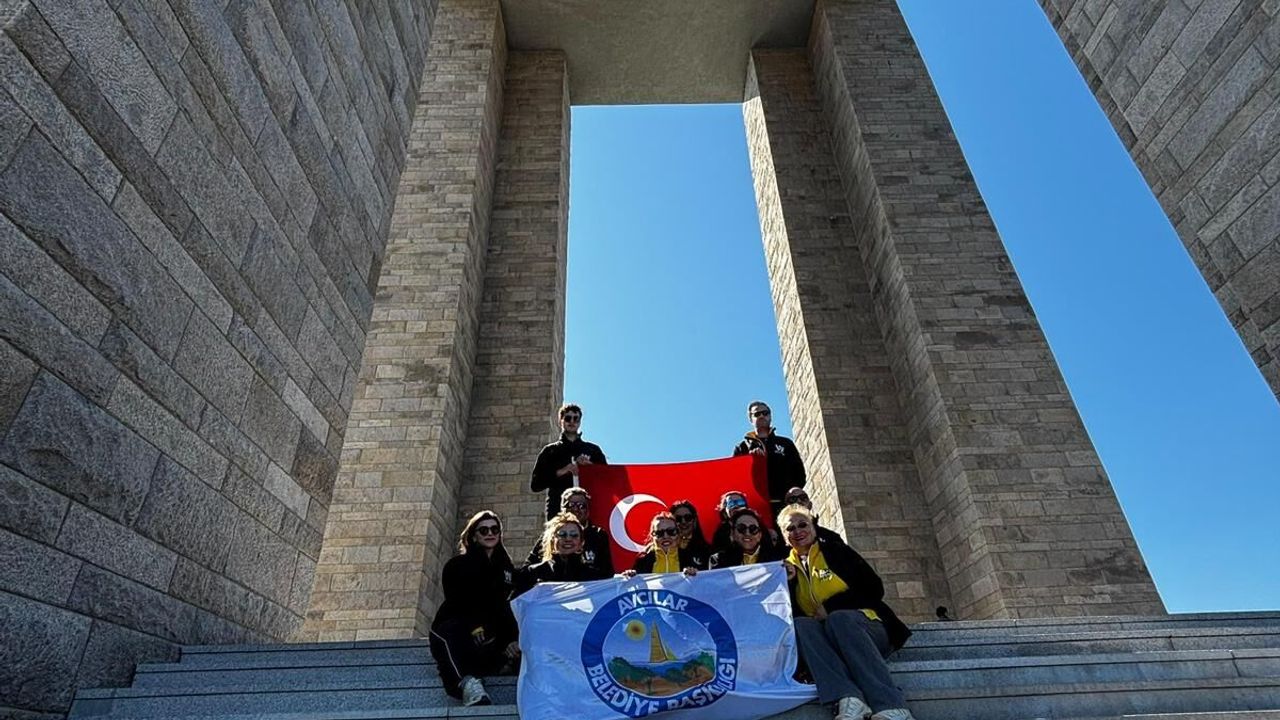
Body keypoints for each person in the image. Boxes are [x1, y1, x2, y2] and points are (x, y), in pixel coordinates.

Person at [779, 505, 915, 720]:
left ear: (813, 527)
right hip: (829, 642)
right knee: (801, 625)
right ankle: (849, 698)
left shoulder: (835, 551)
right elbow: (792, 615)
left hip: (866, 629)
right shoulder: (786, 568)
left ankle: (892, 705)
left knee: (838, 618)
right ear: (784, 537)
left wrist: (831, 607)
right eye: (790, 528)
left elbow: (874, 587)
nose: (797, 531)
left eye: (802, 524)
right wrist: (789, 582)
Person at [428, 511, 520, 707]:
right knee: (449, 633)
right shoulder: (457, 565)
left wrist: (511, 639)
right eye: (484, 530)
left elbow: (506, 608)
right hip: (460, 628)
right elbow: (457, 600)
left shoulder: (507, 571)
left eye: (494, 529)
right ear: (474, 536)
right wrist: (474, 625)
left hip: (491, 636)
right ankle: (468, 683)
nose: (490, 533)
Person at [530, 403, 607, 519]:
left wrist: (590, 467)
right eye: (568, 418)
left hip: (588, 512)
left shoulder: (592, 450)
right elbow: (536, 484)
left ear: (580, 422)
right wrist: (562, 471)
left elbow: (607, 479)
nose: (572, 421)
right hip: (558, 512)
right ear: (560, 421)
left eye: (576, 419)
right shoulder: (550, 451)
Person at [514, 512, 613, 596]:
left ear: (581, 542)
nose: (568, 539)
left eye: (574, 535)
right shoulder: (534, 573)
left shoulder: (594, 576)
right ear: (552, 540)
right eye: (562, 535)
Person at [734, 401, 806, 515]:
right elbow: (736, 478)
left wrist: (792, 495)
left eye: (765, 413)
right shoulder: (742, 448)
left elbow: (800, 475)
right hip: (756, 508)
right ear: (750, 418)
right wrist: (751, 462)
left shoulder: (785, 443)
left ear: (770, 416)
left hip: (786, 505)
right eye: (757, 414)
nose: (762, 416)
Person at [524, 487, 614, 575]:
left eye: (581, 506)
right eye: (571, 505)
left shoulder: (598, 535)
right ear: (562, 509)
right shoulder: (549, 534)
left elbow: (607, 572)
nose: (576, 509)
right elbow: (527, 569)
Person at [626, 512, 701, 576]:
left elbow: (702, 583)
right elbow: (634, 585)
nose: (665, 536)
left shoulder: (690, 558)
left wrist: (695, 575)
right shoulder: (643, 560)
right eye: (659, 533)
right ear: (652, 536)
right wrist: (628, 577)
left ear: (678, 533)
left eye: (671, 532)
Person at [710, 507, 786, 568]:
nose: (747, 533)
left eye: (753, 529)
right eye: (741, 528)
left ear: (760, 535)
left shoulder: (777, 561)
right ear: (732, 534)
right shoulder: (719, 560)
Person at [669, 499, 711, 570]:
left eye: (687, 517)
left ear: (694, 520)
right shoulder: (664, 549)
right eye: (678, 519)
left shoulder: (707, 550)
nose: (683, 522)